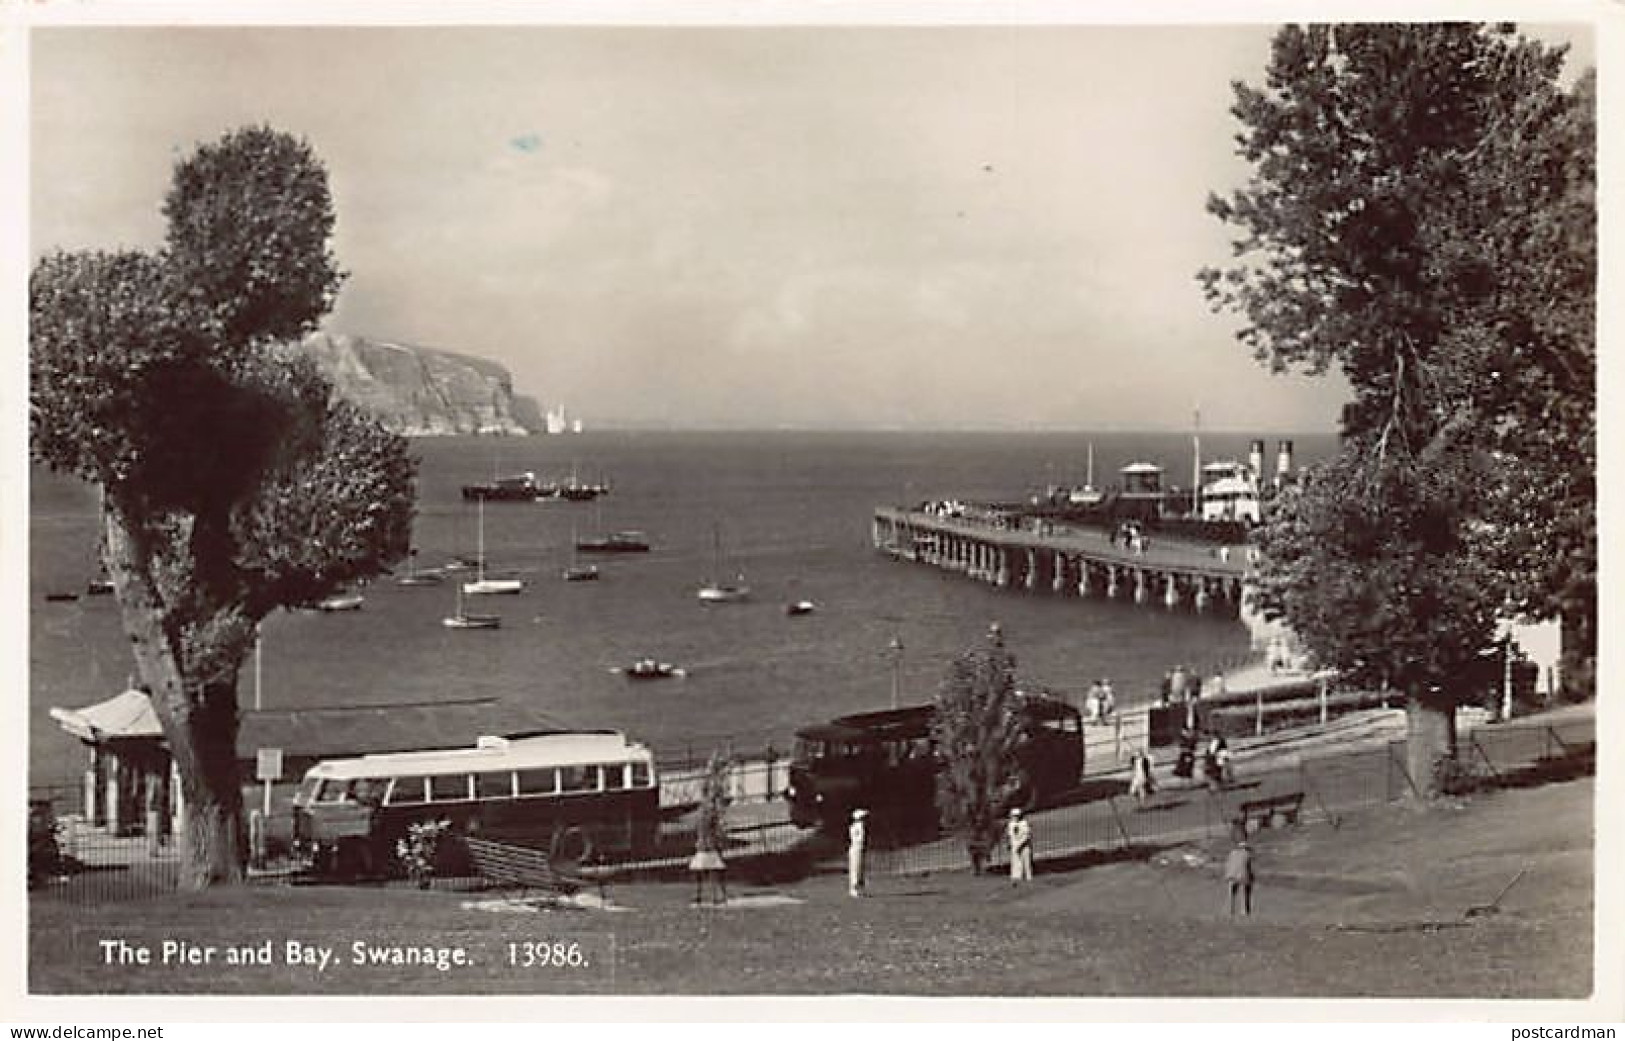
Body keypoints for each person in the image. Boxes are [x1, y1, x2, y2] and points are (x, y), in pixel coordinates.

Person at [1225, 838, 1254, 916]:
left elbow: (1228, 864)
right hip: (1242, 876)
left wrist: (1227, 875)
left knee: (1231, 895)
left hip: (1231, 875)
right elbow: (1249, 866)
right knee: (1244, 894)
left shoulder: (1232, 853)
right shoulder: (1247, 854)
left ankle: (1230, 911)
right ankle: (1244, 911)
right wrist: (1251, 877)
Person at [1007, 808, 1033, 883]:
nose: (1013, 817)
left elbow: (1027, 836)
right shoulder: (1011, 824)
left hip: (1023, 846)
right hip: (1014, 846)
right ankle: (1017, 878)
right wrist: (1010, 844)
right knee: (1016, 863)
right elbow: (1010, 835)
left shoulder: (1024, 824)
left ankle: (1028, 878)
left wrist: (1021, 846)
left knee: (1026, 863)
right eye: (1012, 816)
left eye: (1015, 816)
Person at [847, 808, 869, 898]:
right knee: (855, 869)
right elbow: (859, 839)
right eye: (863, 817)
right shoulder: (856, 826)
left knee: (860, 869)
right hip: (856, 848)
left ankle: (860, 888)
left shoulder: (860, 826)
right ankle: (854, 889)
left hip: (859, 848)